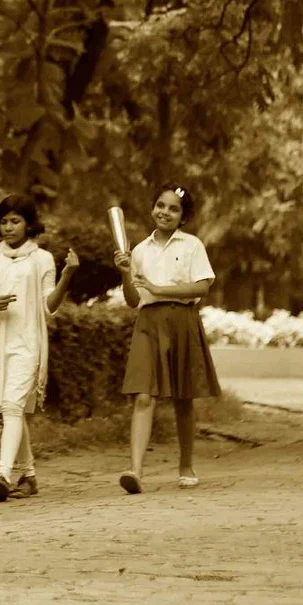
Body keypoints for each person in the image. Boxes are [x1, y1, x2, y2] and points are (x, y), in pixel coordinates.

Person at [0, 195, 77, 500]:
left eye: (15, 221)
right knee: (11, 410)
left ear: (29, 225)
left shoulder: (41, 259)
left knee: (13, 407)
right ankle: (28, 477)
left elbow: (49, 306)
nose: (8, 227)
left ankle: (2, 474)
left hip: (28, 341)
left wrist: (67, 275)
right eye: (4, 221)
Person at [113, 185, 221, 493]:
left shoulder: (192, 246)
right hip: (148, 323)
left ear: (183, 217)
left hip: (183, 321)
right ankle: (135, 470)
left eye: (174, 209)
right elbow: (133, 299)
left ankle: (186, 465)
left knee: (183, 398)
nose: (165, 212)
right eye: (160, 205)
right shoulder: (139, 251)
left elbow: (202, 288)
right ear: (152, 208)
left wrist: (159, 289)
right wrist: (124, 273)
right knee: (143, 395)